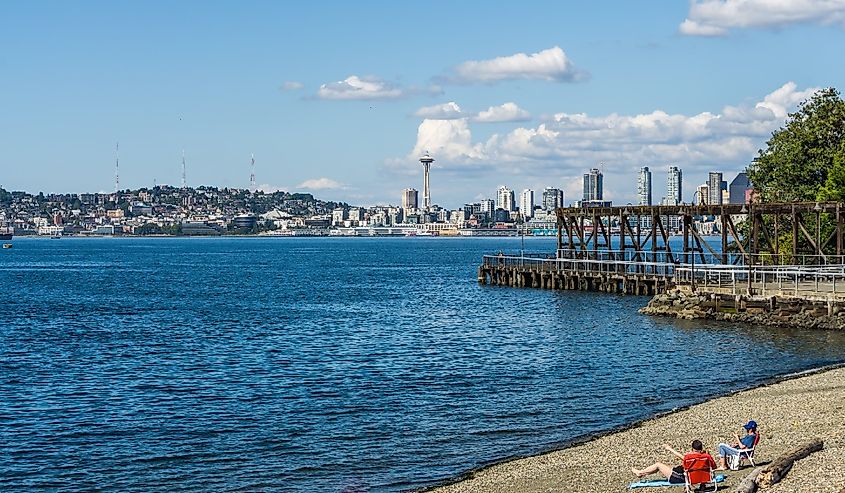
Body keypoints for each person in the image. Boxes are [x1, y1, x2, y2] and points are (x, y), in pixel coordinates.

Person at [631, 440, 717, 484]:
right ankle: (642, 472)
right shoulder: (707, 457)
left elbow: (682, 458)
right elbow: (714, 467)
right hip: (702, 477)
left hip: (682, 478)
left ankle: (640, 473)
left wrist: (669, 448)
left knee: (658, 465)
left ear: (692, 449)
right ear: (701, 448)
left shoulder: (688, 458)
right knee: (668, 466)